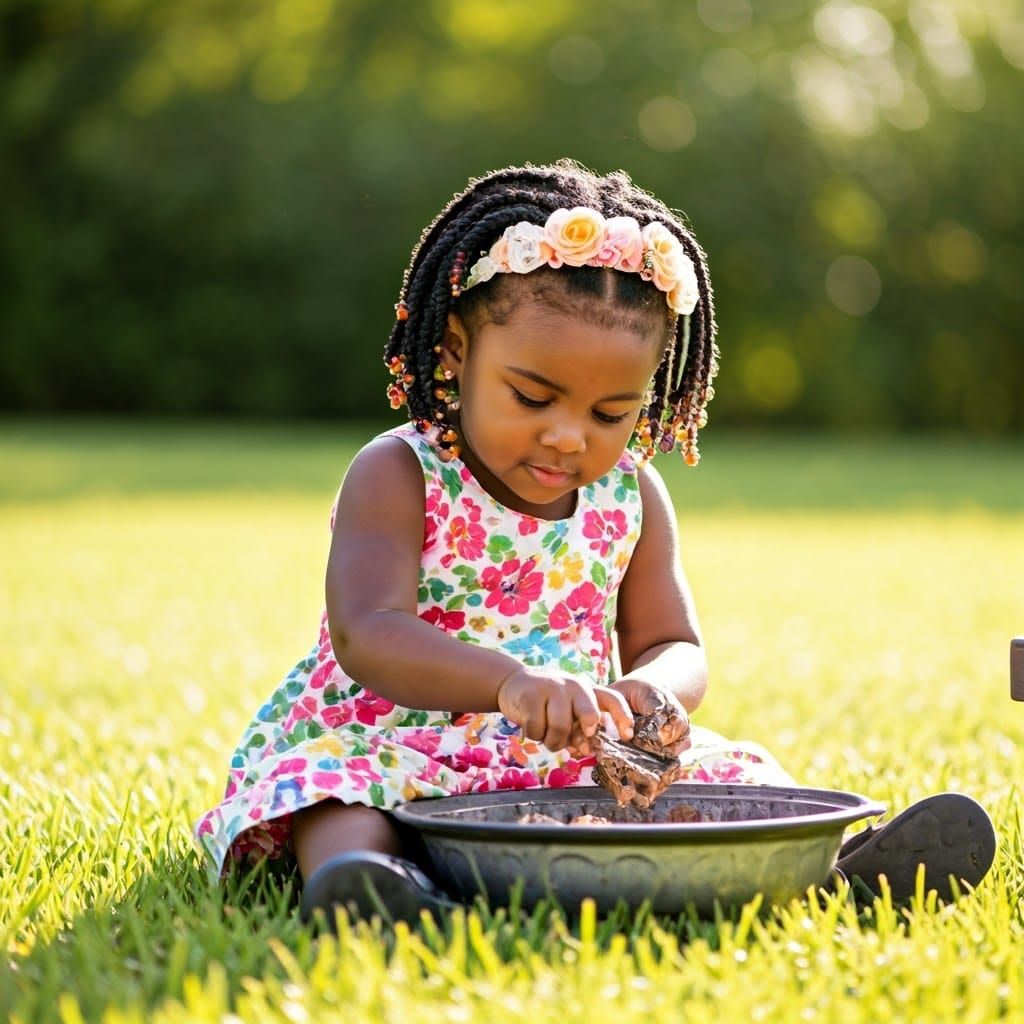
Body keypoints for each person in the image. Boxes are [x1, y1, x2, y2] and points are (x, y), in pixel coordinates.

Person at [194, 160, 994, 923]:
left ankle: (824, 873)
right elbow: (368, 633)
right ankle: (368, 885)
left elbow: (675, 641)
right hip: (399, 735)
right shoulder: (400, 472)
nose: (570, 436)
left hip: (570, 751)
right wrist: (509, 684)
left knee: (730, 773)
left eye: (612, 413)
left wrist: (653, 691)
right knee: (335, 791)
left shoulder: (630, 493)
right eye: (532, 397)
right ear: (457, 354)